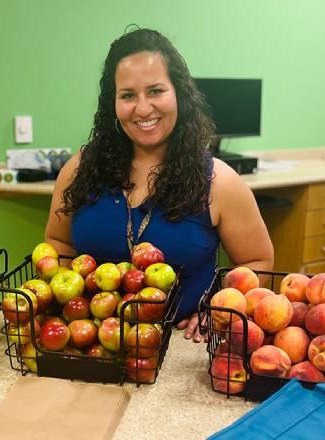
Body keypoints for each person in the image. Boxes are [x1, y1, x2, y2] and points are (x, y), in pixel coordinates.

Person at [45, 28, 273, 342]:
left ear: (178, 93)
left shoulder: (220, 182)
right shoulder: (80, 168)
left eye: (155, 91)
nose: (142, 108)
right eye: (127, 95)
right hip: (93, 344)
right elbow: (59, 244)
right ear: (112, 102)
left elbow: (257, 262)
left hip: (182, 348)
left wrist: (216, 307)